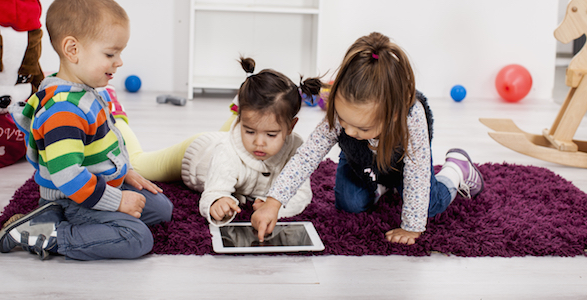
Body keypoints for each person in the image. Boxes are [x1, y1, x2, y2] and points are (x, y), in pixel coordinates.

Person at [251, 32, 485, 245]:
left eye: (362, 127)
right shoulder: (341, 110)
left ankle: (457, 169)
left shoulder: (411, 116)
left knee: (429, 206)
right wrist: (274, 202)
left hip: (403, 166)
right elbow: (306, 157)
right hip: (361, 162)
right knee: (349, 204)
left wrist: (411, 228)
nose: (350, 132)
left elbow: (417, 174)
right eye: (345, 121)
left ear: (392, 115)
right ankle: (380, 185)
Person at [0, 0, 173, 260]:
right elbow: (67, 176)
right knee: (137, 238)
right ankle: (46, 233)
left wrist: (125, 172)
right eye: (111, 54)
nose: (119, 62)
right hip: (73, 197)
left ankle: (65, 220)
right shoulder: (63, 112)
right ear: (72, 49)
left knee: (160, 208)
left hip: (99, 183)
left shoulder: (83, 91)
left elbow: (105, 143)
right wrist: (119, 201)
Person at [115, 57, 321, 226]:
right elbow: (213, 192)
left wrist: (274, 205)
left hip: (226, 139)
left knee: (235, 137)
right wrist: (218, 202)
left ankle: (240, 117)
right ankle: (115, 114)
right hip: (196, 154)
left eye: (271, 135)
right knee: (138, 163)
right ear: (241, 122)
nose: (259, 143)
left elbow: (301, 194)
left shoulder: (296, 149)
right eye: (250, 131)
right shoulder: (227, 152)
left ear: (291, 127)